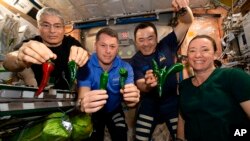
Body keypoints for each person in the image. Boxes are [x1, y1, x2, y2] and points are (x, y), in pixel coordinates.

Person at [130, 0, 194, 140]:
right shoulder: (135, 60)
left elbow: (186, 22)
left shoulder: (166, 44)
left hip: (171, 100)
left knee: (183, 135)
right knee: (140, 137)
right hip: (149, 103)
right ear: (135, 42)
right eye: (141, 40)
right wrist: (147, 84)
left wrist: (184, 9)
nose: (146, 43)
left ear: (157, 38)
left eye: (150, 38)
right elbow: (140, 84)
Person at [176, 35, 250, 141]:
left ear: (215, 55)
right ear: (187, 57)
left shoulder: (234, 76)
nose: (197, 55)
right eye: (192, 51)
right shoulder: (184, 86)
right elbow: (182, 118)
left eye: (205, 50)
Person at [77, 27, 140, 141]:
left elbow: (130, 99)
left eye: (112, 46)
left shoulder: (125, 68)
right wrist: (82, 103)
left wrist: (133, 99)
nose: (108, 51)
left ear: (117, 48)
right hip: (94, 111)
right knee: (93, 137)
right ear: (95, 45)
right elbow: (82, 96)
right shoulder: (85, 66)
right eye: (103, 45)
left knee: (121, 135)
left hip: (114, 110)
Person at [3, 7, 88, 89]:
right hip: (36, 95)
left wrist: (84, 56)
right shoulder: (31, 43)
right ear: (39, 27)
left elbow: (88, 60)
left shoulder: (71, 43)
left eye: (57, 26)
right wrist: (19, 58)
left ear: (64, 29)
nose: (52, 31)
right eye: (46, 25)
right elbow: (8, 61)